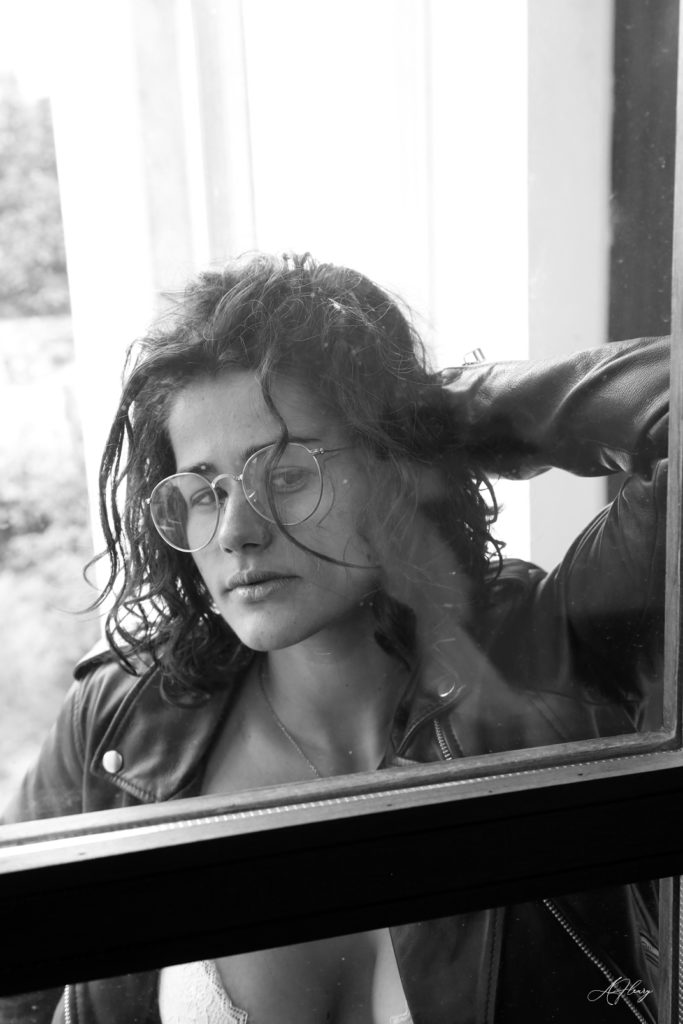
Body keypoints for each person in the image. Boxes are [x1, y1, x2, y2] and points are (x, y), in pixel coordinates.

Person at [0, 252, 668, 1023]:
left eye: (285, 476)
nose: (237, 531)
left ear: (391, 468)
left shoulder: (544, 655)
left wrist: (438, 414)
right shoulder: (121, 722)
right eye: (205, 492)